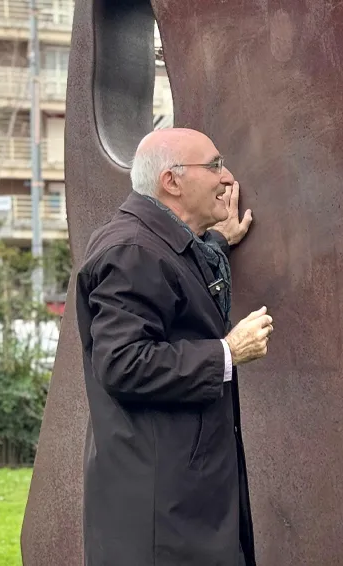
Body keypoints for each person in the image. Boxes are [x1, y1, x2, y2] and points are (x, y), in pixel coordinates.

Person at [76, 127, 275, 565]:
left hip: (179, 501)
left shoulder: (157, 244)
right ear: (172, 181)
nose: (227, 179)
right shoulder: (131, 251)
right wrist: (228, 352)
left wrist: (218, 241)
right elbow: (123, 362)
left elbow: (175, 285)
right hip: (159, 520)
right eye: (215, 166)